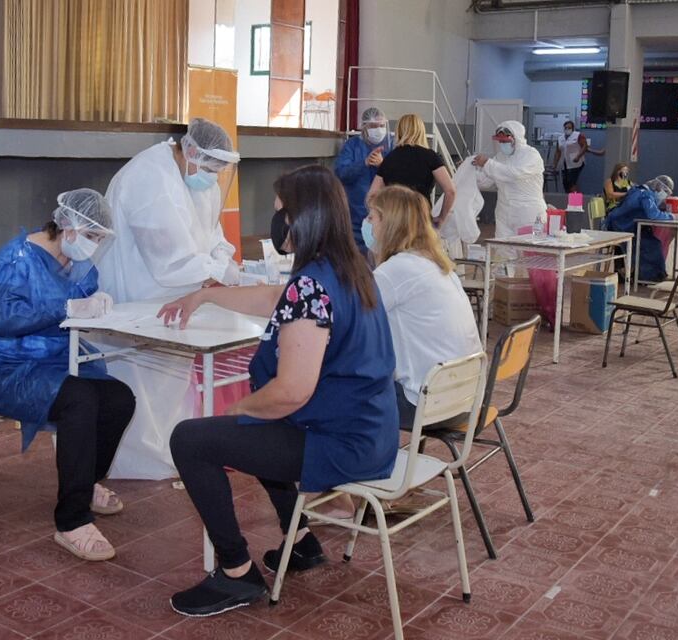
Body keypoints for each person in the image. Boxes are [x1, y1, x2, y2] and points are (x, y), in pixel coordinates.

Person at [158, 165, 398, 617]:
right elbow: (276, 298)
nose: (277, 220)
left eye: (281, 212)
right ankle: (301, 540)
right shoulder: (350, 268)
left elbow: (290, 392)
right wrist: (205, 295)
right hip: (370, 429)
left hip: (340, 443)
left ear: (303, 217)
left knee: (191, 439)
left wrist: (240, 409)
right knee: (266, 426)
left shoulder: (312, 284)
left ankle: (236, 573)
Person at [0, 189, 135, 562]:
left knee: (119, 399)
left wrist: (97, 306)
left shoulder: (75, 261)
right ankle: (72, 521)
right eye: (92, 236)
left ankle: (85, 484)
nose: (94, 245)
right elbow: (2, 319)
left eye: (99, 238)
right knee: (79, 400)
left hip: (50, 362)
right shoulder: (13, 261)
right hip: (0, 368)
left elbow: (84, 294)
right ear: (68, 228)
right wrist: (66, 307)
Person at [98, 118, 243, 480]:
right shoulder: (149, 177)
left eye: (217, 170)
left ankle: (169, 450)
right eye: (209, 167)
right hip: (135, 294)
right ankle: (130, 461)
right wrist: (215, 270)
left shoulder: (199, 179)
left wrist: (222, 258)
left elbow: (212, 232)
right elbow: (168, 260)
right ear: (190, 151)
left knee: (169, 383)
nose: (211, 177)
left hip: (177, 298)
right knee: (136, 379)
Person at [364, 185, 482, 428]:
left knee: (337, 391)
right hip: (465, 399)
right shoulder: (435, 263)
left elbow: (350, 317)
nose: (366, 224)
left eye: (371, 217)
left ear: (389, 224)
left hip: (426, 405)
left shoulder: (396, 270)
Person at [367, 113, 456, 227]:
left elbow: (372, 194)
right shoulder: (431, 157)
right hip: (421, 220)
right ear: (421, 131)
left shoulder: (389, 158)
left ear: (399, 131)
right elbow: (450, 191)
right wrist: (442, 218)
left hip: (394, 221)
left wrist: (381, 216)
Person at [472, 120, 547, 238]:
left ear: (516, 139)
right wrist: (469, 171)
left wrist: (487, 163)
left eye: (505, 141)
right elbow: (485, 181)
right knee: (502, 247)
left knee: (528, 246)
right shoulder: (500, 157)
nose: (502, 144)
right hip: (504, 212)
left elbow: (514, 174)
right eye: (500, 141)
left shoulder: (531, 155)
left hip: (528, 213)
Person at [334, 107, 393, 254]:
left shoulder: (391, 145)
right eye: (374, 126)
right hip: (356, 215)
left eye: (381, 125)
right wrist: (364, 163)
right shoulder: (352, 146)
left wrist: (383, 165)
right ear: (364, 127)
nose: (379, 130)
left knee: (382, 256)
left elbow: (398, 179)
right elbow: (341, 173)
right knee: (356, 257)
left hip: (385, 215)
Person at [603, 175, 677, 282]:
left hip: (623, 224)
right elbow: (653, 215)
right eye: (665, 191)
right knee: (650, 245)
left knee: (653, 242)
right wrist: (672, 217)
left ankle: (651, 275)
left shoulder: (639, 191)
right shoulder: (645, 195)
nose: (665, 195)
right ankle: (647, 276)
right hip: (621, 227)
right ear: (659, 187)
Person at [553, 120, 587, 193]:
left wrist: (578, 156)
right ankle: (569, 197)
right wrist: (555, 165)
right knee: (566, 183)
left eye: (569, 128)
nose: (567, 129)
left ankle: (576, 199)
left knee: (572, 182)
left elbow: (585, 146)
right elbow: (558, 152)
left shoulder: (578, 135)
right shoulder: (560, 138)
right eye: (566, 128)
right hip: (565, 163)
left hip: (576, 163)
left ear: (573, 128)